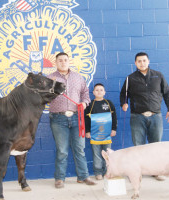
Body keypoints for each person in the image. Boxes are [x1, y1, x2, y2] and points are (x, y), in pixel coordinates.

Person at [120, 52, 169, 180]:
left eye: (144, 60)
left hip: (156, 116)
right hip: (137, 116)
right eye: (139, 61)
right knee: (138, 145)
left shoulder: (158, 76)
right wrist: (123, 103)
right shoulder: (130, 78)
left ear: (148, 61)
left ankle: (157, 171)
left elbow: (167, 93)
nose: (142, 63)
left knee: (156, 145)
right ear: (135, 63)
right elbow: (123, 94)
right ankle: (137, 172)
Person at [48, 52, 96, 189]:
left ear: (69, 61)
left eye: (65, 60)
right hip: (58, 118)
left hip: (77, 117)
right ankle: (59, 178)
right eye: (60, 60)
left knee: (79, 148)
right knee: (62, 150)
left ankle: (83, 176)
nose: (63, 62)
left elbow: (85, 94)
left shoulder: (78, 77)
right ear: (55, 63)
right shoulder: (50, 78)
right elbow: (44, 96)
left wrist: (85, 103)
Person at [84, 83, 117, 180]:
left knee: (107, 153)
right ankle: (98, 172)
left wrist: (113, 129)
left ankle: (107, 171)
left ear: (104, 92)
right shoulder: (90, 104)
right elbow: (86, 119)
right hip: (94, 135)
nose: (99, 91)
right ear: (93, 92)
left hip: (107, 134)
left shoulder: (109, 103)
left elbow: (114, 117)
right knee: (97, 154)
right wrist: (87, 131)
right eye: (97, 90)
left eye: (101, 90)